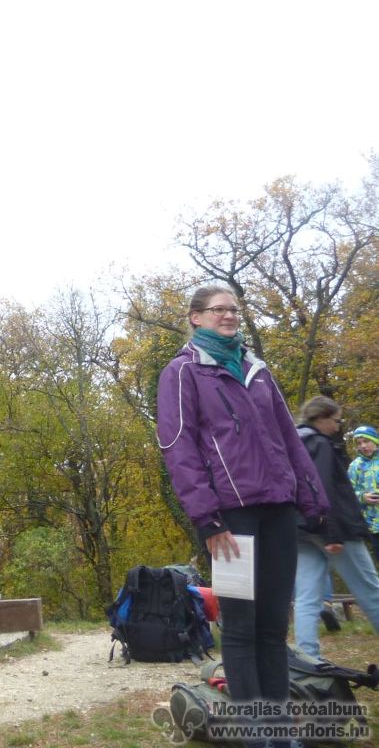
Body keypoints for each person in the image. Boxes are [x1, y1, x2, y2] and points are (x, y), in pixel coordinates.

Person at [157, 284, 327, 745]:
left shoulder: (257, 370)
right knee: (239, 628)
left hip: (278, 511)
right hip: (231, 519)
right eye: (218, 310)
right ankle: (255, 736)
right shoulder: (182, 372)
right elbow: (178, 449)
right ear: (195, 317)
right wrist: (208, 520)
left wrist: (313, 501)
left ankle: (281, 734)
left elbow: (289, 439)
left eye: (234, 309)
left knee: (272, 628)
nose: (229, 316)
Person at [293, 396, 379, 660]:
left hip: (301, 530)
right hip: (333, 529)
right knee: (370, 590)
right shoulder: (320, 444)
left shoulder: (292, 443)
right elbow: (324, 490)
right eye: (335, 420)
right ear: (320, 418)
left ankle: (308, 660)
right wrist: (332, 533)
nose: (337, 426)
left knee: (307, 597)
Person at [349, 425, 379, 562]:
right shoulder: (355, 466)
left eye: (366, 441)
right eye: (359, 443)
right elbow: (348, 494)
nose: (363, 446)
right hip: (372, 524)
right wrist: (362, 497)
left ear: (375, 441)